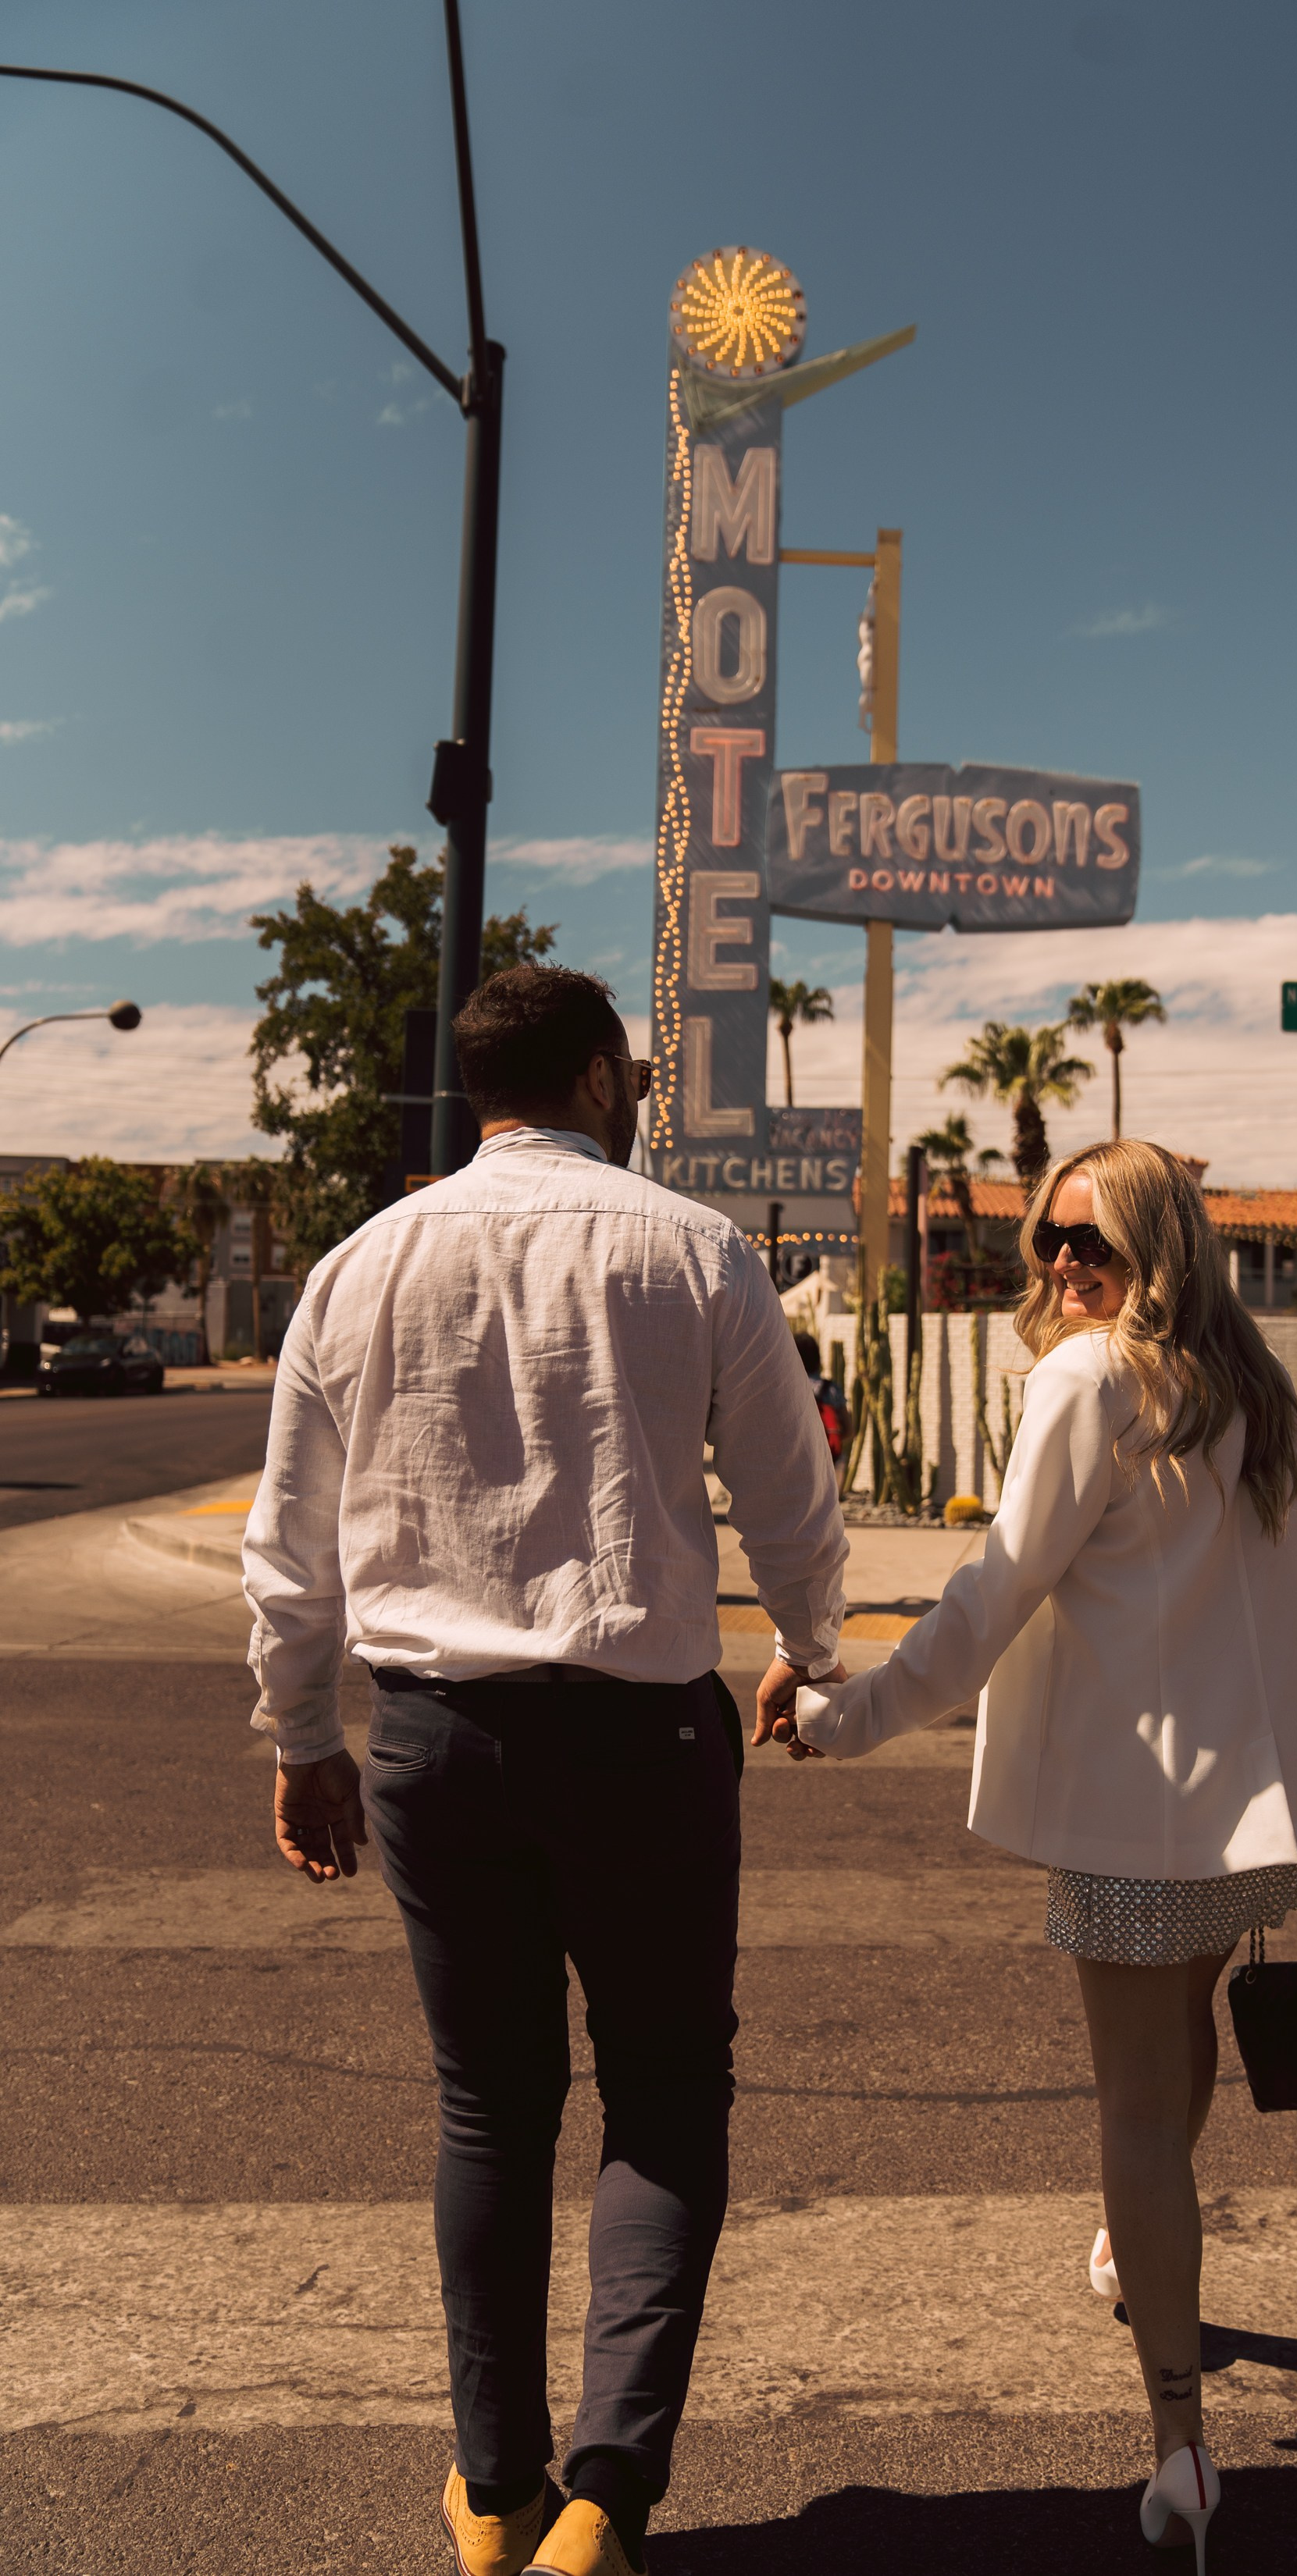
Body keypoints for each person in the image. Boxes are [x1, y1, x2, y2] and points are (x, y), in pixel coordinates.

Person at [245, 964, 848, 2576]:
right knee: (664, 2092)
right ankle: (607, 2497)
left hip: (434, 1738)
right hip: (642, 1735)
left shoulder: (360, 1265)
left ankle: (496, 2489)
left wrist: (303, 1738)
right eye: (630, 1076)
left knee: (490, 2110)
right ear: (594, 1077)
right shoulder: (694, 1251)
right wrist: (808, 1647)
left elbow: (291, 1550)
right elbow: (788, 1500)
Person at [756, 1140, 1297, 2574]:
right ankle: (1136, 2258)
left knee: (1135, 2109)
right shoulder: (1246, 1386)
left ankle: (1181, 2444)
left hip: (1137, 1811)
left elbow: (995, 1591)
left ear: (1158, 1253)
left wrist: (849, 1713)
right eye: (1049, 1240)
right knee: (1179, 2044)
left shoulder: (1090, 1381)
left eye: (1094, 1243)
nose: (1063, 1264)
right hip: (1243, 1810)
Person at [793, 1327, 850, 1464]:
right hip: (830, 1461)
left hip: (800, 1462)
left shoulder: (791, 1389)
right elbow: (849, 1430)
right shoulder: (831, 1389)